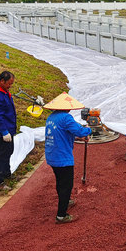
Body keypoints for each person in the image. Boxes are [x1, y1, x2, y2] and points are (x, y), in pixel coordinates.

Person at [44, 92, 92, 224]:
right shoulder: (66, 118)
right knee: (66, 184)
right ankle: (61, 215)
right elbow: (80, 131)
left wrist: (75, 137)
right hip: (62, 157)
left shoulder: (51, 117)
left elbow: (61, 133)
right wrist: (88, 130)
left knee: (60, 181)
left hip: (52, 154)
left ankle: (65, 201)